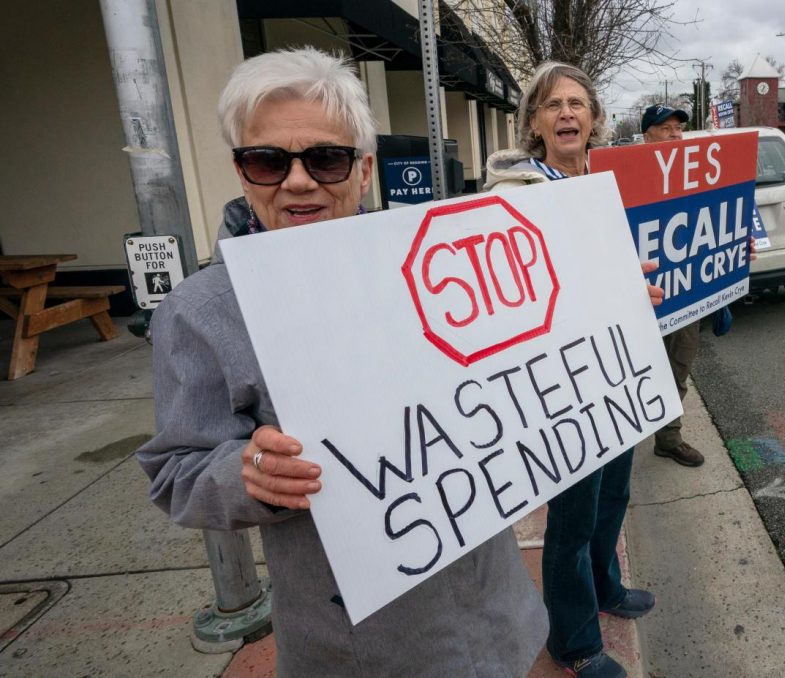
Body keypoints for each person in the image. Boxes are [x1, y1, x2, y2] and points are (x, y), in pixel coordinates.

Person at [136, 47, 547, 677]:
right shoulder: (200, 312)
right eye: (268, 160)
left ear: (363, 168)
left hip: (496, 611)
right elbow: (176, 472)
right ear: (243, 172)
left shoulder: (435, 263)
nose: (298, 181)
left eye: (325, 158)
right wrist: (248, 474)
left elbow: (520, 357)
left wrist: (603, 297)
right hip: (360, 648)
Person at [484, 62, 661, 678]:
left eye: (577, 104)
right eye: (553, 104)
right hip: (561, 383)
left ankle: (606, 587)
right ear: (534, 120)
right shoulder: (513, 195)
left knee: (615, 491)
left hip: (615, 367)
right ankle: (575, 640)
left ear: (594, 118)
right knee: (573, 514)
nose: (566, 114)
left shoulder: (611, 181)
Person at [639, 104, 707, 468]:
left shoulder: (698, 174)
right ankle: (621, 441)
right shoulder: (626, 175)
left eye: (678, 128)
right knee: (634, 371)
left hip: (685, 294)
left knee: (677, 366)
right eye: (665, 128)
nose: (675, 135)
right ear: (647, 133)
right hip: (638, 301)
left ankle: (668, 438)